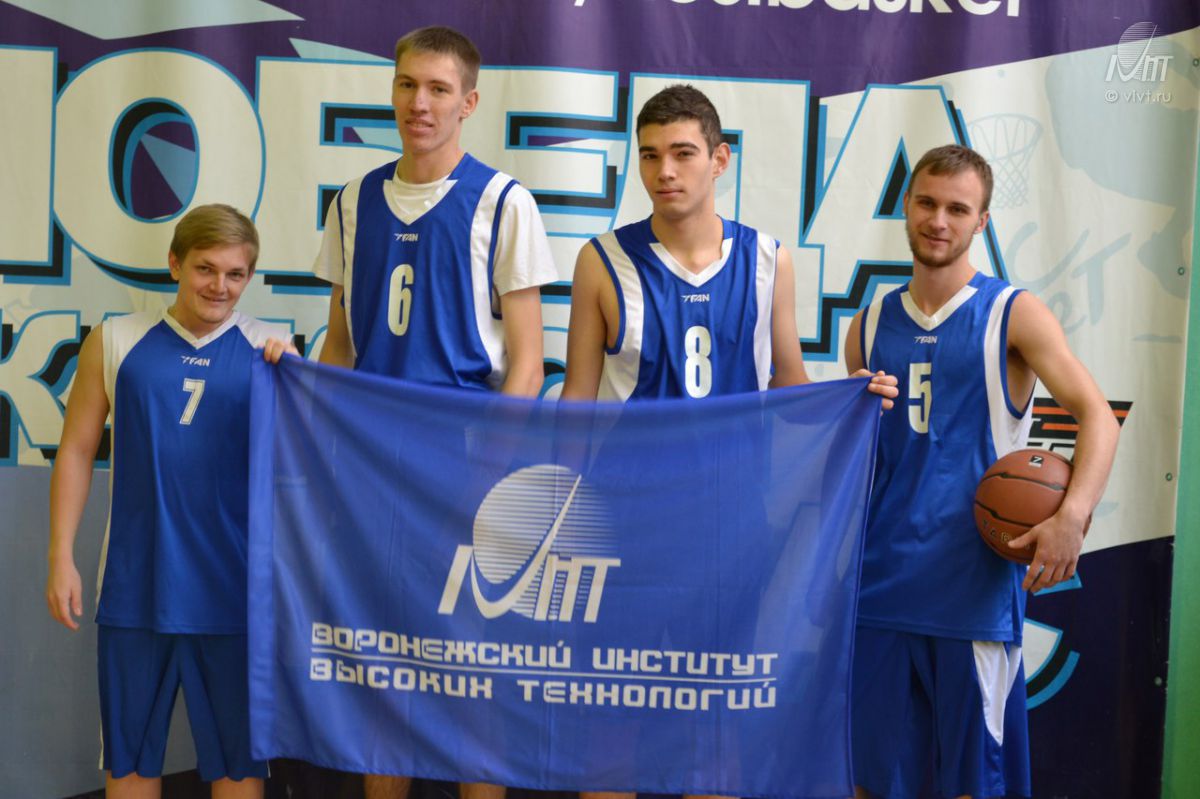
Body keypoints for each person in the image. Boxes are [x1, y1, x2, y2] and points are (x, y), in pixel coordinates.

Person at [562, 84, 896, 799]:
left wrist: (849, 398)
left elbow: (789, 383)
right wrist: (559, 513)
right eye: (650, 155)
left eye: (683, 153)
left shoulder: (769, 259)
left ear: (720, 160)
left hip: (731, 525)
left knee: (714, 721)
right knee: (611, 714)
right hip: (625, 524)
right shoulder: (601, 260)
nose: (664, 171)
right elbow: (576, 404)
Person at [308, 25, 557, 799]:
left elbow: (528, 363)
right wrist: (317, 446)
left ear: (468, 102)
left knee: (470, 671)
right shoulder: (352, 202)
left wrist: (488, 471)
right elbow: (340, 346)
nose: (420, 103)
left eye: (439, 89)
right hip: (373, 469)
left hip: (465, 468)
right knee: (383, 669)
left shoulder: (504, 201)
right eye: (408, 85)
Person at [843, 144, 1120, 799]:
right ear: (906, 206)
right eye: (927, 203)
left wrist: (1071, 516)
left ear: (982, 221)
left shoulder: (1012, 312)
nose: (939, 220)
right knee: (872, 785)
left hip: (971, 589)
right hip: (879, 585)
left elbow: (1097, 416)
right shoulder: (869, 324)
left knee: (974, 786)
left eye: (957, 209)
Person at [46, 204, 295, 799]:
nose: (220, 286)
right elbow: (76, 450)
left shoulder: (270, 350)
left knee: (239, 770)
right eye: (206, 269)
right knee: (130, 764)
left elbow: (300, 472)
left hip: (235, 594)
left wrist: (294, 382)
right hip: (136, 588)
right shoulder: (115, 340)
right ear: (175, 264)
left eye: (235, 274)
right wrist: (61, 555)